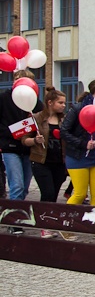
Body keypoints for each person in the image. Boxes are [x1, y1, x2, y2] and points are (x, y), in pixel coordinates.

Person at [0, 69, 44, 217]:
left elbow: (42, 119)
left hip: (29, 148)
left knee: (24, 187)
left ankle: (16, 211)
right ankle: (13, 219)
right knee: (16, 185)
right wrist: (14, 133)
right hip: (10, 147)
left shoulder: (35, 101)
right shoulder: (4, 98)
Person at [61, 79, 95, 213]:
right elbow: (64, 131)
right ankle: (65, 225)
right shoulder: (77, 108)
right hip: (77, 156)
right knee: (80, 194)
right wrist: (83, 144)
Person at [25, 88, 68, 238]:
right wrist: (35, 140)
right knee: (47, 192)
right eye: (60, 102)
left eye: (64, 102)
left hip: (59, 162)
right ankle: (44, 226)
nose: (63, 105)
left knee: (54, 194)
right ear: (50, 103)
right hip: (40, 161)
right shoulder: (36, 118)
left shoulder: (64, 119)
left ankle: (50, 221)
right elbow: (24, 139)